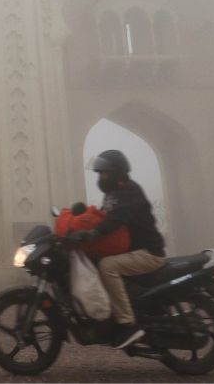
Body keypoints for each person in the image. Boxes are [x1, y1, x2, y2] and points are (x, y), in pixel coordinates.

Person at [68, 149, 166, 349]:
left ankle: (127, 323)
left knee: (107, 266)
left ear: (117, 172)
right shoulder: (112, 194)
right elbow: (102, 217)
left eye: (104, 173)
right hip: (131, 252)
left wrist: (93, 234)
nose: (101, 177)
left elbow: (115, 220)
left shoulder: (130, 191)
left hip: (148, 252)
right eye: (99, 173)